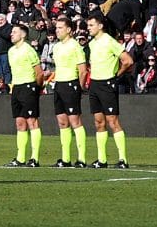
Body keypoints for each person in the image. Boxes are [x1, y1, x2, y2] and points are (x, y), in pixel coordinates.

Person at [84, 14, 132, 170]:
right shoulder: (92, 44)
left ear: (100, 26)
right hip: (95, 84)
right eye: (88, 25)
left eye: (91, 25)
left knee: (113, 122)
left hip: (107, 84)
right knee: (99, 122)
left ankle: (123, 159)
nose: (88, 28)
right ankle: (101, 159)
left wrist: (116, 74)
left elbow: (128, 60)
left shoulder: (110, 41)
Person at [46, 16, 88, 168]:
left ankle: (82, 159)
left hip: (71, 84)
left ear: (69, 30)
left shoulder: (75, 46)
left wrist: (80, 87)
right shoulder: (56, 47)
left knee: (75, 121)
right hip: (59, 85)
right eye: (56, 28)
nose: (57, 31)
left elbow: (83, 70)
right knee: (62, 122)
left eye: (60, 28)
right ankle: (65, 158)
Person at [6, 22, 43, 168]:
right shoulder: (10, 51)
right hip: (16, 87)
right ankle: (20, 158)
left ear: (23, 34)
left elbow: (39, 72)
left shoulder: (29, 50)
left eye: (14, 32)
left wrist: (36, 88)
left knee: (32, 121)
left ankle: (34, 158)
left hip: (29, 86)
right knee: (20, 122)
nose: (11, 34)